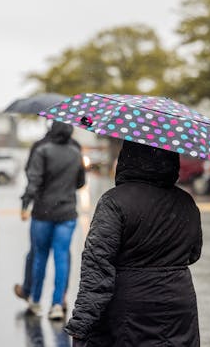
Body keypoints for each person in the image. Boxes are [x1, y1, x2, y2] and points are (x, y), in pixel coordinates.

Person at [64, 140, 202, 346]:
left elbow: (97, 267)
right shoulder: (186, 201)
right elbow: (193, 253)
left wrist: (81, 324)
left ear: (128, 158)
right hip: (178, 305)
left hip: (130, 309)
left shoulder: (114, 201)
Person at [19, 121, 86, 320]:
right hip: (67, 213)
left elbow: (34, 180)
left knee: (40, 256)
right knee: (62, 257)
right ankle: (57, 304)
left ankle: (36, 301)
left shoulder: (43, 150)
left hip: (43, 212)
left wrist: (25, 204)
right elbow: (81, 182)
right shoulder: (76, 153)